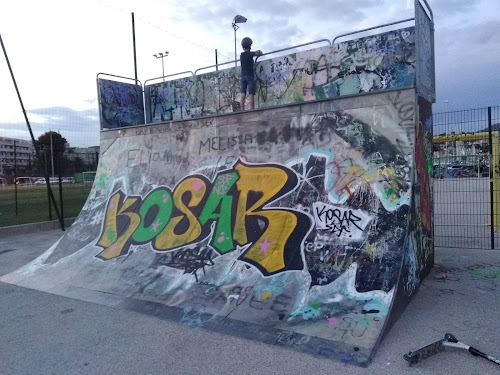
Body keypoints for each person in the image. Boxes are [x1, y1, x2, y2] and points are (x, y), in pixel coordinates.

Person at [239, 37, 262, 111]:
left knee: (243, 93)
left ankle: (242, 110)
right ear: (250, 46)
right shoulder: (250, 54)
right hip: (249, 75)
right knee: (251, 93)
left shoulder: (241, 55)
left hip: (242, 76)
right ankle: (252, 110)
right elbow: (258, 53)